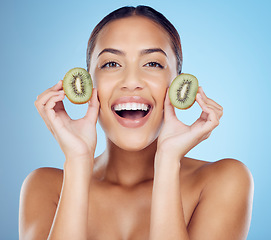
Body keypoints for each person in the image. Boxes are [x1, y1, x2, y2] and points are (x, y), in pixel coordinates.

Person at [19, 5, 254, 240]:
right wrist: (78, 161)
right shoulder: (45, 187)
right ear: (88, 84)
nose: (131, 82)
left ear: (177, 84)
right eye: (111, 64)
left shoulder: (224, 180)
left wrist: (168, 160)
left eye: (153, 64)